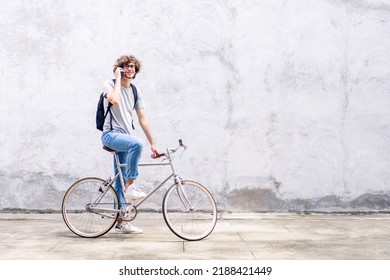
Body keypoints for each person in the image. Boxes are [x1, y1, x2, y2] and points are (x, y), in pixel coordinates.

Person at [101, 55, 161, 234]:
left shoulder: (136, 92)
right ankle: (131, 184)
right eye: (126, 67)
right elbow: (115, 100)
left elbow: (143, 119)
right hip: (111, 136)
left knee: (117, 182)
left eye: (133, 67)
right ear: (120, 68)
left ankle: (120, 222)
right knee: (137, 144)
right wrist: (118, 78)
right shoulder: (110, 84)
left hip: (124, 139)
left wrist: (153, 144)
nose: (130, 69)